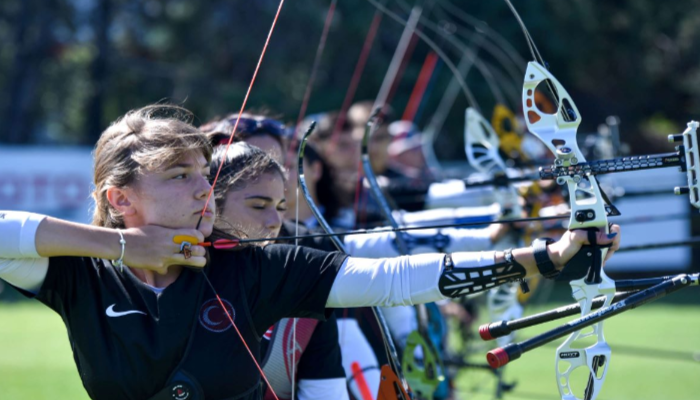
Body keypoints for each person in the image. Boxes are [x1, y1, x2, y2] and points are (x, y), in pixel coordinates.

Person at [0, 104, 621, 400]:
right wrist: (123, 246)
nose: (204, 188)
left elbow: (395, 278)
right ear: (122, 196)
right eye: (181, 176)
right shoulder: (80, 274)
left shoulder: (259, 267)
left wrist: (549, 255)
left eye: (204, 171)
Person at [209, 141, 349, 400]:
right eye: (259, 206)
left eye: (281, 208)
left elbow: (325, 390)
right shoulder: (173, 280)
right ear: (211, 205)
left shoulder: (304, 287)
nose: (275, 222)